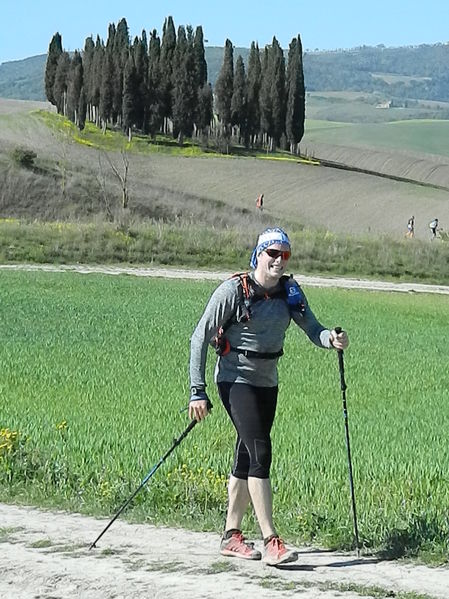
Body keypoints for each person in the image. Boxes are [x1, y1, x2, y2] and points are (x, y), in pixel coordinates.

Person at [188, 227, 349, 566]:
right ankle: (271, 540)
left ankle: (231, 536)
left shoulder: (290, 292)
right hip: (235, 378)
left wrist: (331, 340)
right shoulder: (233, 291)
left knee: (247, 455)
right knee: (261, 451)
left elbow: (313, 328)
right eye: (272, 253)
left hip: (267, 380)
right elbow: (199, 338)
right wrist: (197, 390)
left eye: (284, 254)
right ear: (258, 254)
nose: (278, 259)